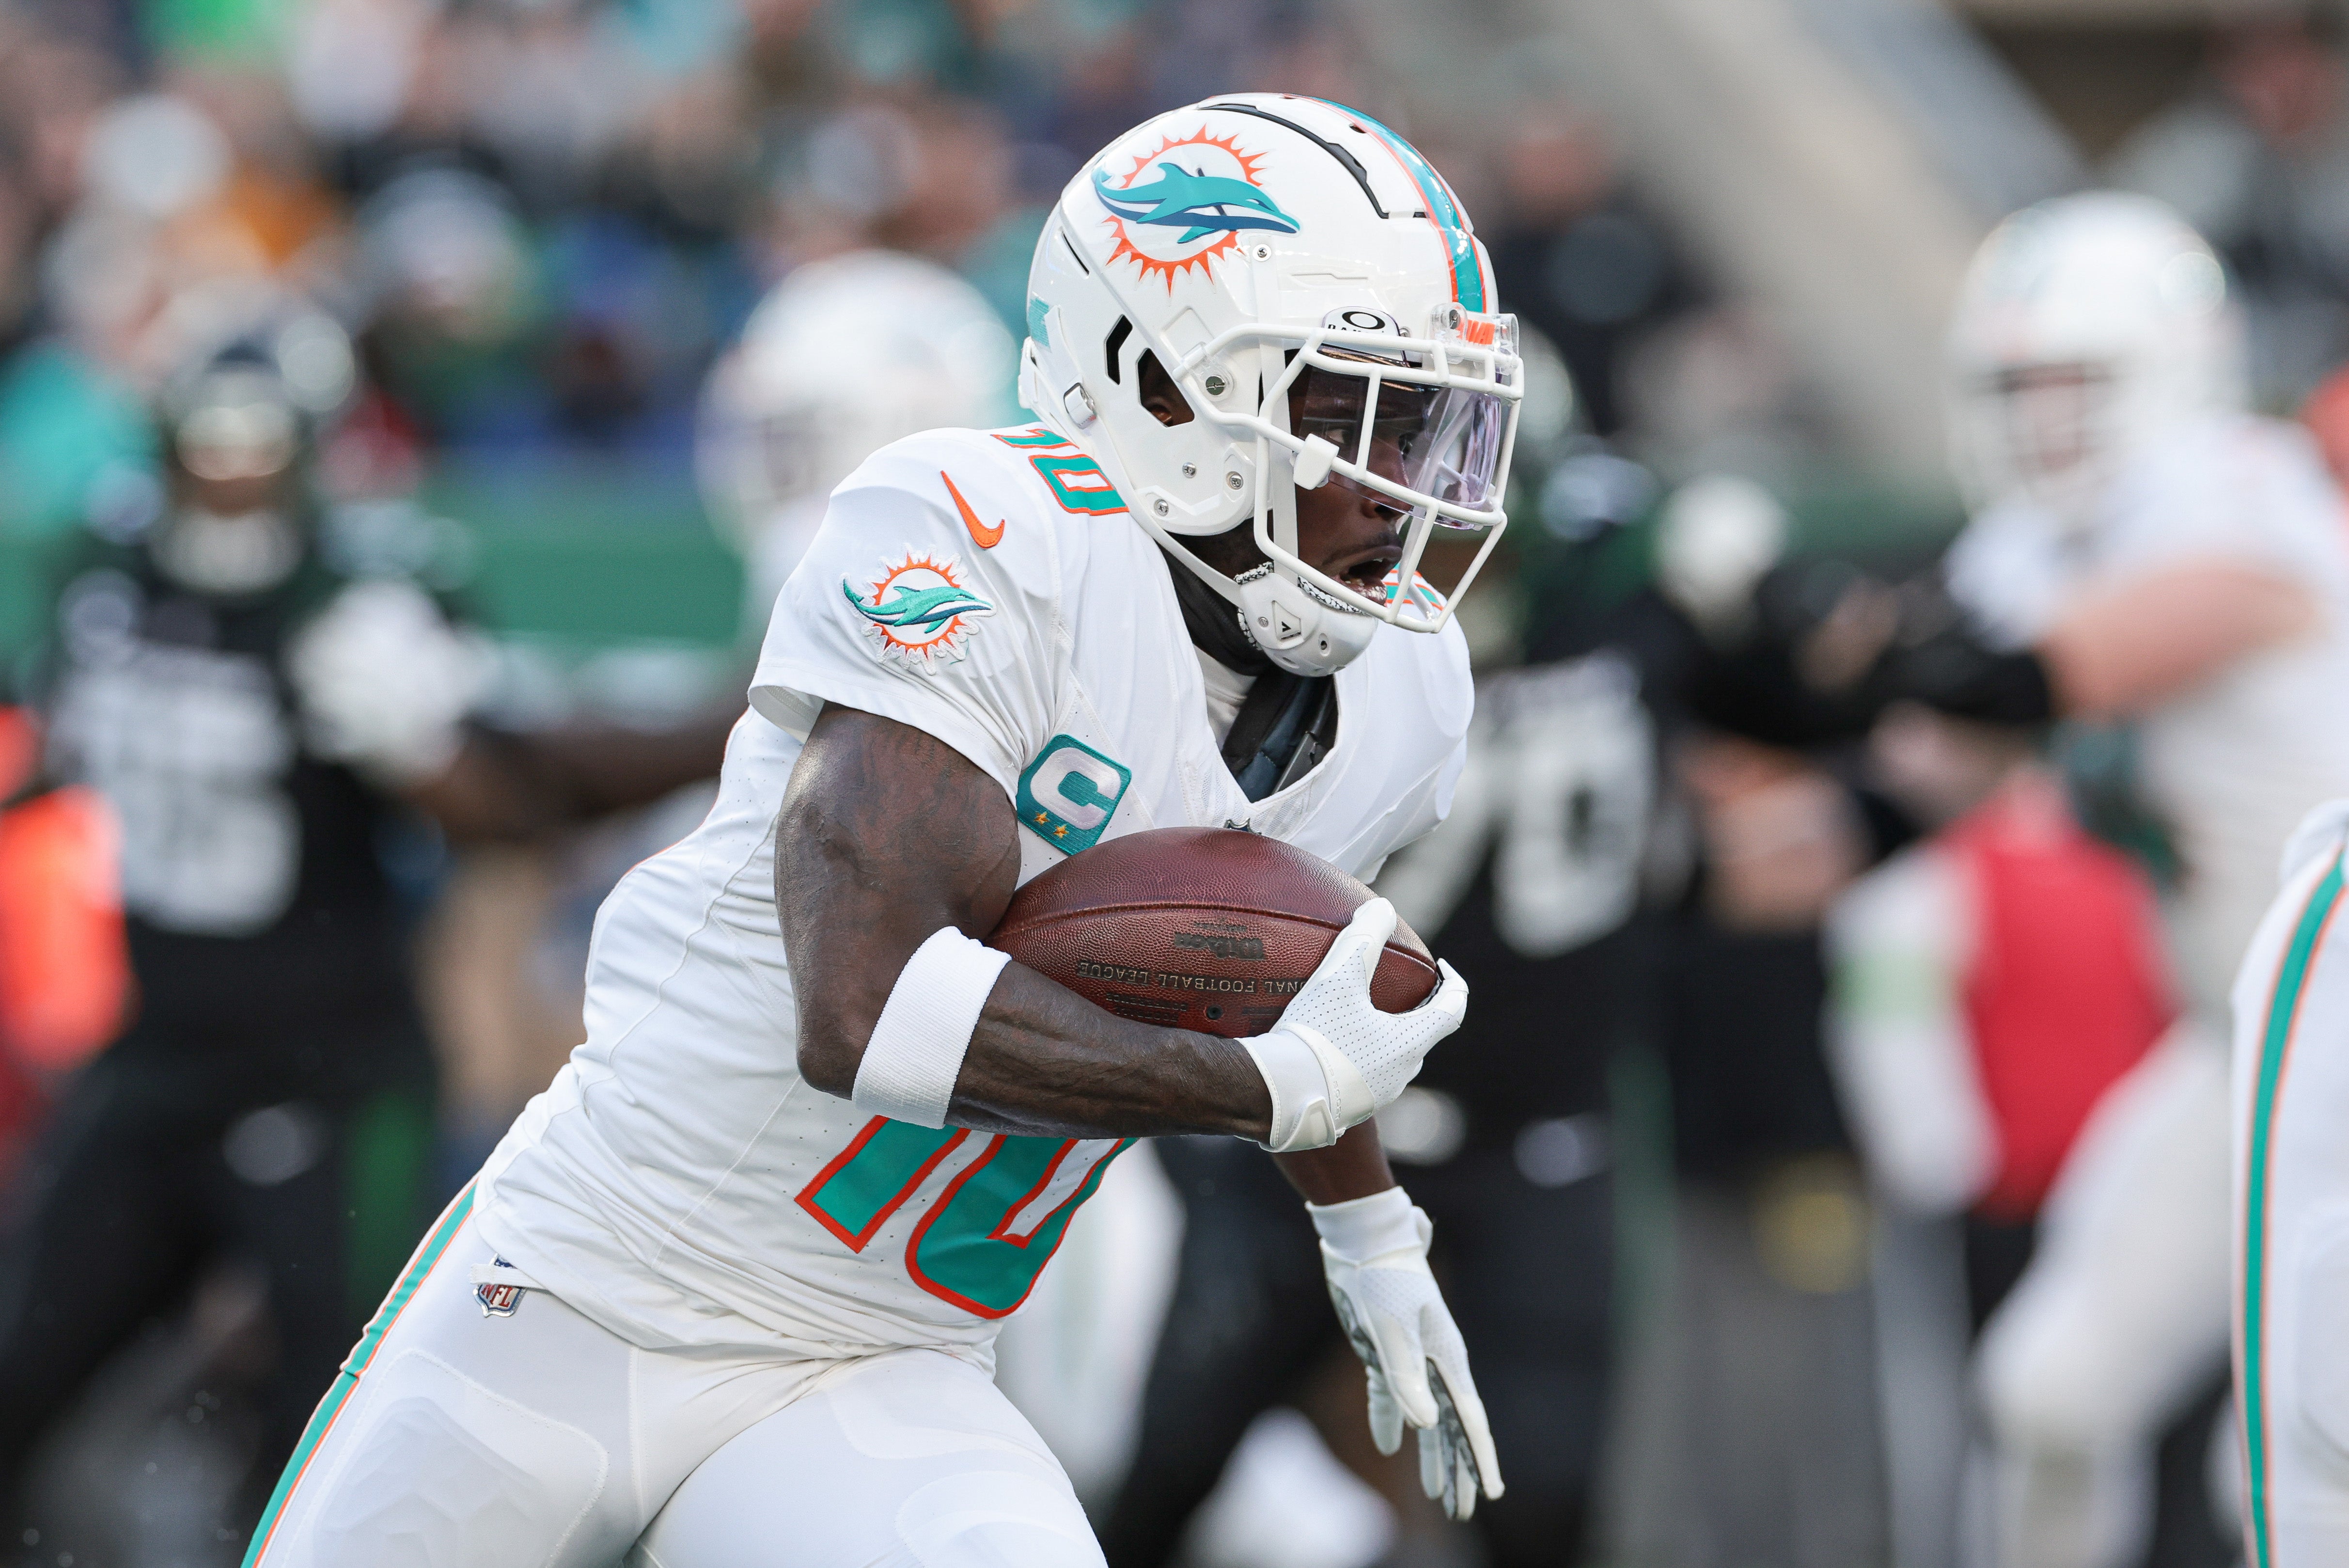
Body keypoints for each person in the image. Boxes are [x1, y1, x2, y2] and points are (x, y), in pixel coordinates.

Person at [241, 94, 1518, 1567]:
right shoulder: (983, 527)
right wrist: (1255, 1094)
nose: (1399, 481)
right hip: (589, 1290)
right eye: (1345, 409)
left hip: (876, 1358)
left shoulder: (1410, 685)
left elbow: (1277, 987)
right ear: (1159, 386)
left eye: (1424, 420)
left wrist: (1367, 1227)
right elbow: (869, 1009)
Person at [0, 298, 732, 1545]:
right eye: (211, 440)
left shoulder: (363, 595)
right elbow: (48, 758)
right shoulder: (102, 577)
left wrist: (421, 749)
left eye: (260, 441)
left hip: (333, 1070)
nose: (232, 471)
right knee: (22, 1372)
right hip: (157, 1054)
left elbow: (501, 810)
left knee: (337, 1439)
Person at [1875, 191, 2349, 1568]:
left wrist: (1850, 651)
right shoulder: (2030, 552)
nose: (2043, 421)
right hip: (2247, 1054)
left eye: (2073, 382)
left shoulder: (2240, 488)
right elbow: (1899, 782)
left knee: (2297, 1459)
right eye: (2017, 387)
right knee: (2052, 1395)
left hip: (2341, 1056)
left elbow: (2038, 672)